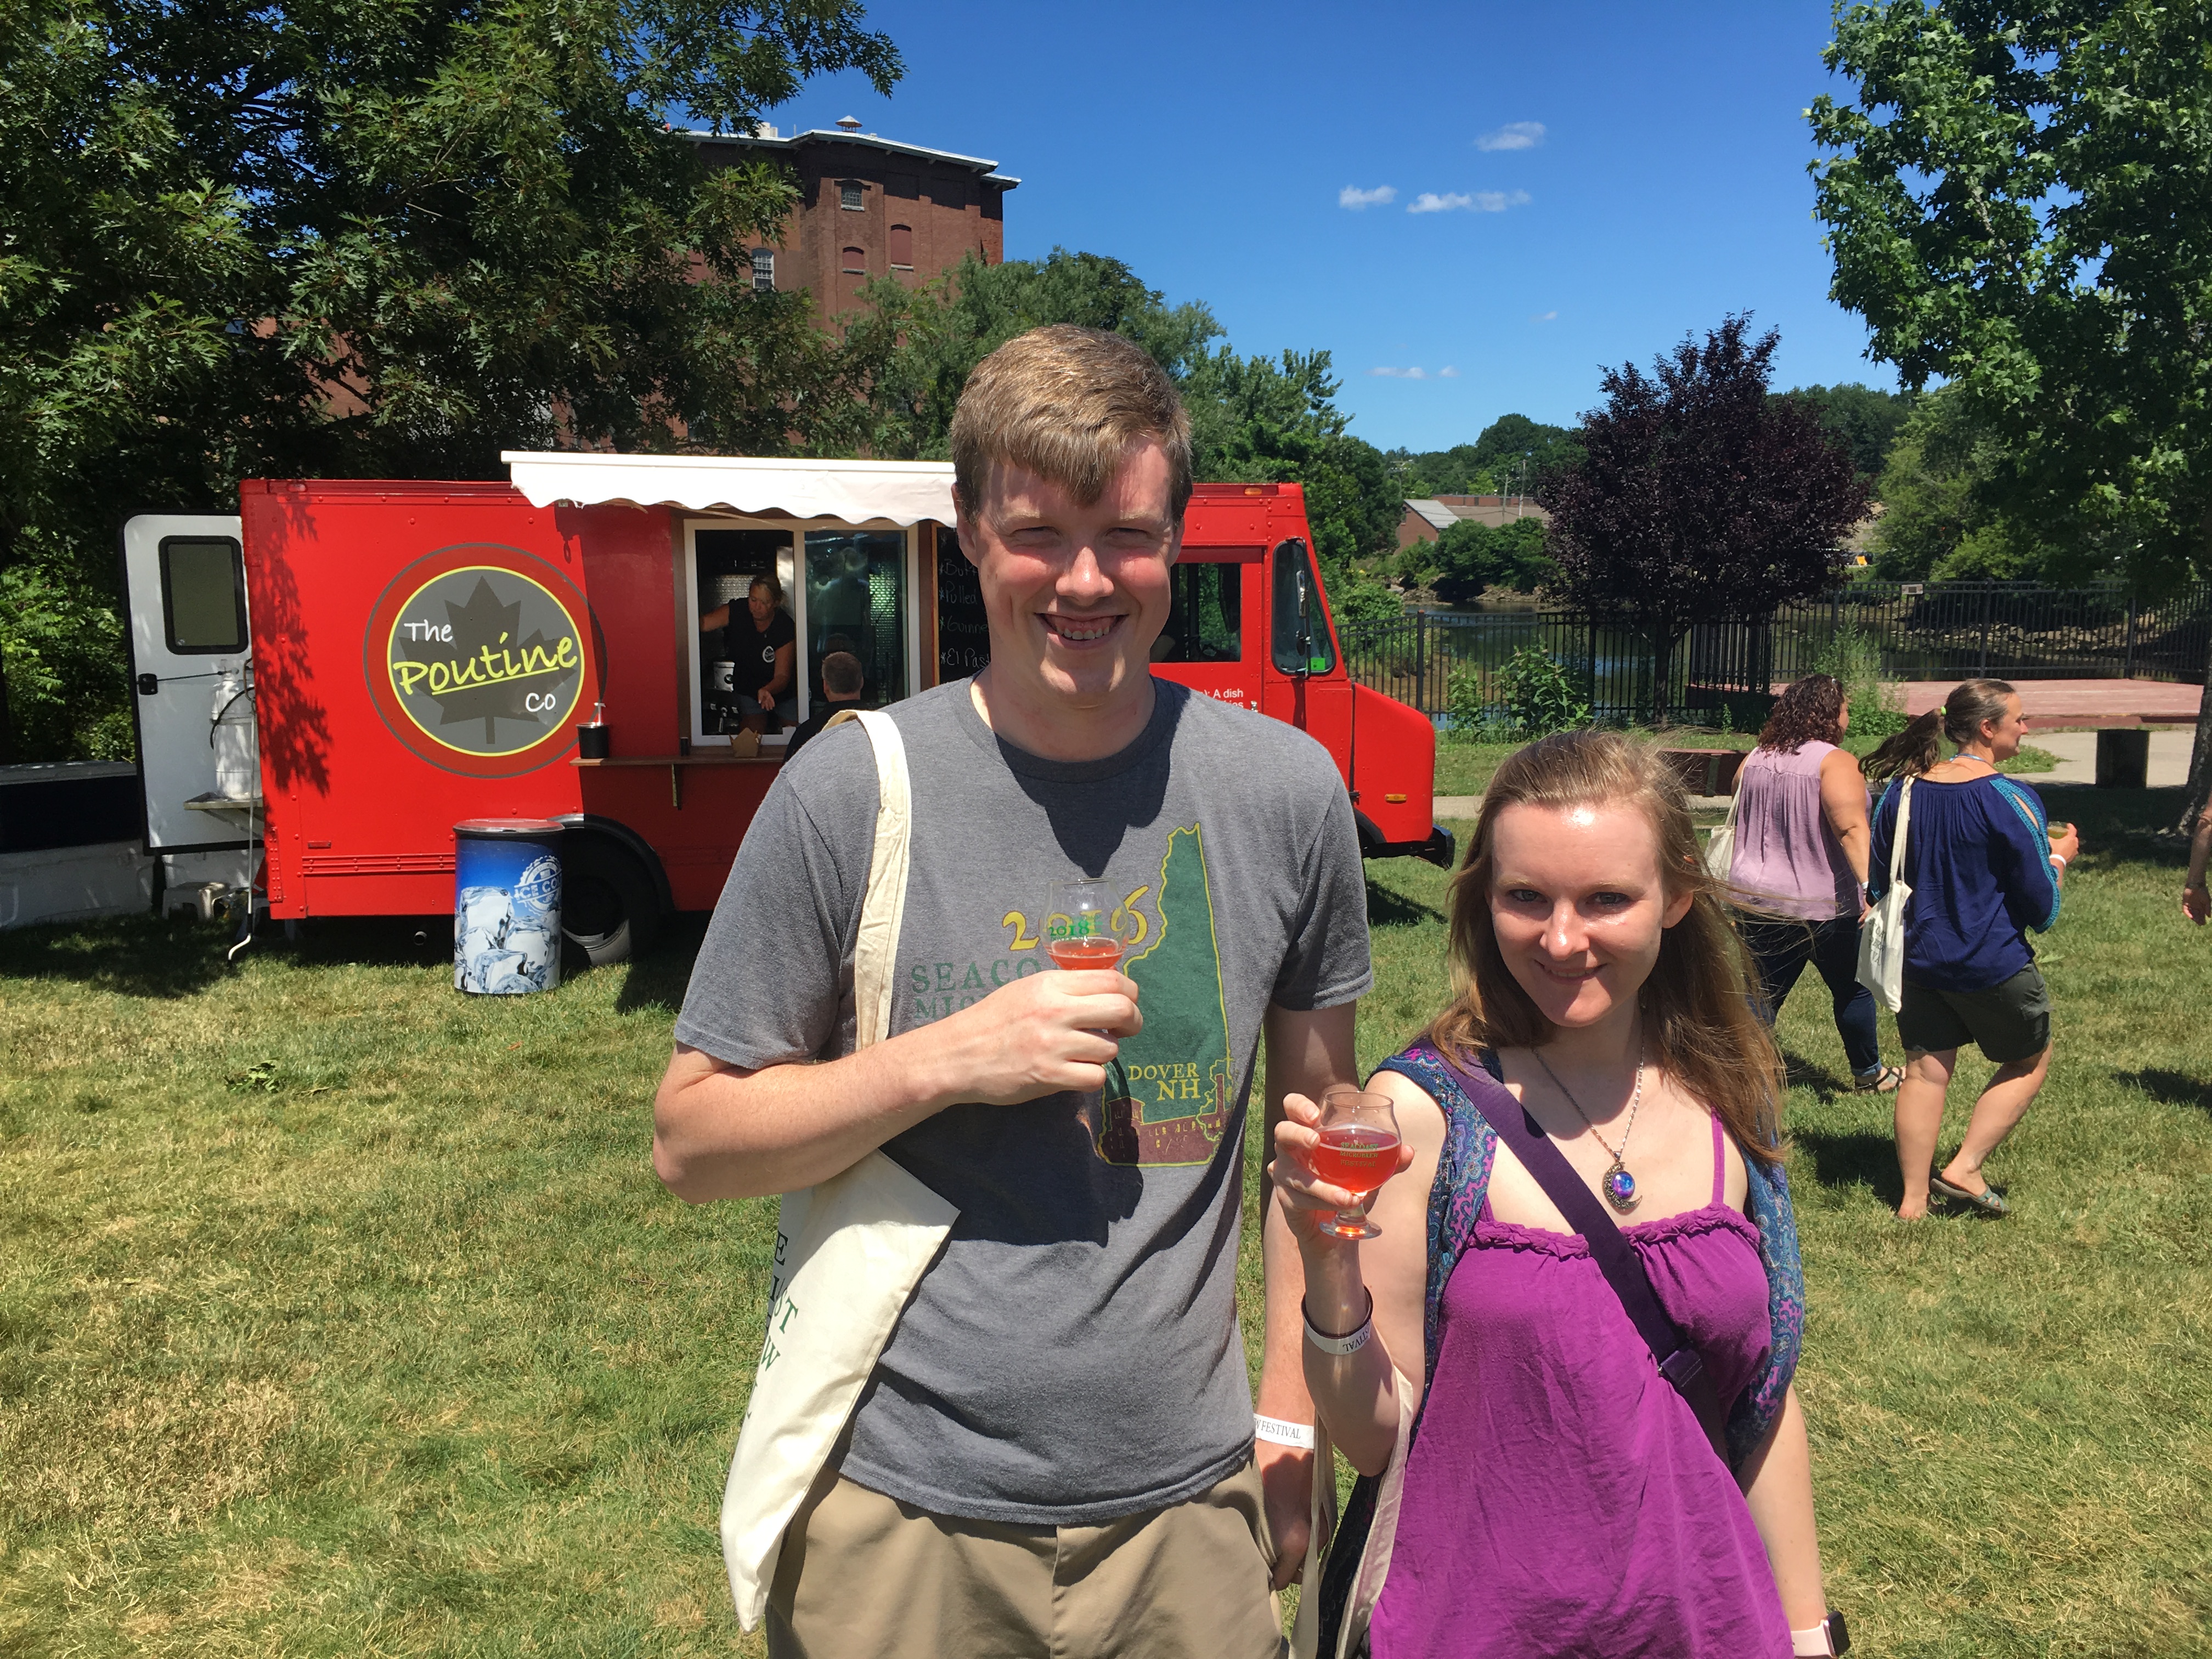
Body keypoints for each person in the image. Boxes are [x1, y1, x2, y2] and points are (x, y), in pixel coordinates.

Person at [654, 324, 1372, 1659]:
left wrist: (1290, 1409)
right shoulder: (850, 790)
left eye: (1130, 533)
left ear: (1179, 534)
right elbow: (692, 1143)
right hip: (900, 1511)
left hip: (1190, 1507)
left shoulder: (1287, 794)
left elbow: (1316, 1153)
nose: (1087, 580)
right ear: (970, 531)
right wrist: (942, 1060)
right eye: (1040, 531)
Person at [1273, 731, 1840, 1658]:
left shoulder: (1730, 1099)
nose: (1562, 937)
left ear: (1676, 895)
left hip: (1707, 1619)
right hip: (1474, 1624)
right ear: (1483, 899)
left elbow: (1762, 1395)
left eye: (1605, 898)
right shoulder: (1422, 1113)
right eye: (1524, 897)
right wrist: (1329, 1262)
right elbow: (1378, 1440)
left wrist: (1808, 1629)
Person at [1863, 679, 2076, 1220]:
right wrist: (2059, 860)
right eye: (2020, 719)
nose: (2026, 728)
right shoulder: (2011, 798)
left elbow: (1877, 884)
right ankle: (1965, 1166)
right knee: (2031, 1057)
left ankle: (1912, 1203)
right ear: (1988, 727)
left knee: (1925, 1072)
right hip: (1991, 963)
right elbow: (2043, 909)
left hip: (1916, 962)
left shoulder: (1900, 791)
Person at [1727, 673, 1899, 1092]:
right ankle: (1869, 1074)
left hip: (1757, 899)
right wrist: (1874, 892)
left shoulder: (1757, 756)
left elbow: (1737, 807)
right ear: (1829, 714)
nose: (1848, 717)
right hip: (1824, 905)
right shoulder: (1835, 761)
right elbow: (1851, 830)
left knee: (1761, 995)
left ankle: (1740, 1079)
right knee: (1853, 990)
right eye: (1845, 709)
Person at [701, 573, 797, 730]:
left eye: (764, 602)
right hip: (748, 687)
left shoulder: (784, 626)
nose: (757, 607)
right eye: (753, 600)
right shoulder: (737, 610)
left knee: (794, 735)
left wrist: (767, 690)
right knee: (752, 739)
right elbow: (703, 624)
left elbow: (782, 676)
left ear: (776, 603)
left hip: (783, 691)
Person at [781, 649, 864, 760]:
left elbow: (787, 774)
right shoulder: (883, 728)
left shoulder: (808, 733)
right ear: (861, 682)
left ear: (825, 686)